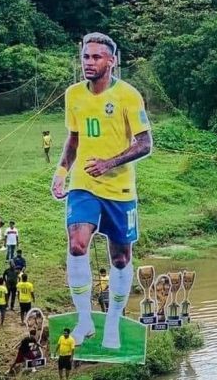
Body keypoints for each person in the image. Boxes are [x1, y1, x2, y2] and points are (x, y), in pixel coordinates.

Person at [51, 32, 152, 348]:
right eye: (85, 57)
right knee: (78, 245)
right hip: (84, 184)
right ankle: (84, 321)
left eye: (96, 57)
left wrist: (109, 163)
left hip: (120, 190)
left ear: (112, 61)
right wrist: (62, 170)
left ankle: (112, 323)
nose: (89, 63)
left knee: (120, 259)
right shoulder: (73, 95)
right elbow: (74, 138)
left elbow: (145, 144)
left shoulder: (129, 96)